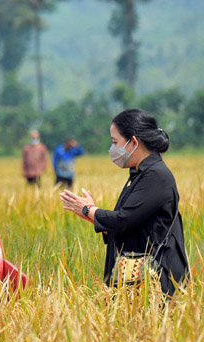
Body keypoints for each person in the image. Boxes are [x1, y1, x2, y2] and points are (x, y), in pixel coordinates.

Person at [59, 109, 189, 297]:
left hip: (158, 281)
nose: (113, 149)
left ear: (134, 142)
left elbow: (124, 219)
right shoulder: (139, 174)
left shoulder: (155, 176)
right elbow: (132, 225)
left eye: (115, 142)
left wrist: (90, 209)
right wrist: (92, 216)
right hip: (138, 281)